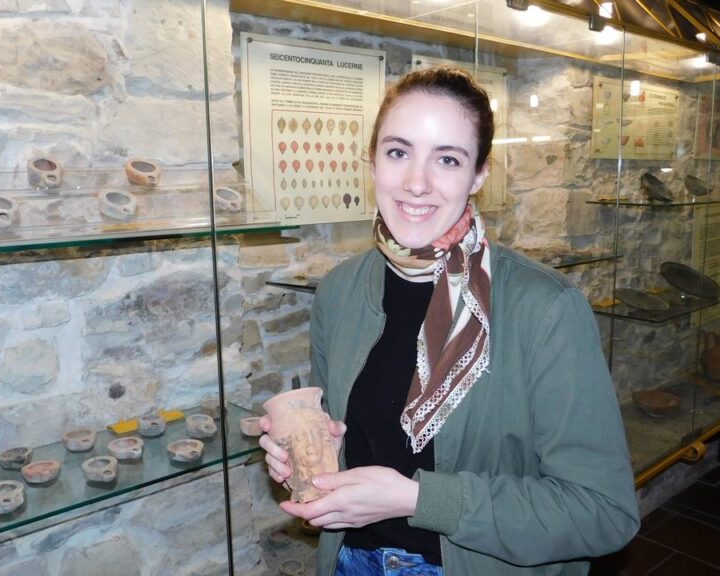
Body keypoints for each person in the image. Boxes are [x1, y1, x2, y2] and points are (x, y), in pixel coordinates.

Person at [260, 65, 639, 575]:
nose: (417, 183)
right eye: (399, 152)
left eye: (447, 159)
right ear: (371, 161)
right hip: (352, 561)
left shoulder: (545, 308)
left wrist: (419, 499)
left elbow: (603, 513)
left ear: (479, 174)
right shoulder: (340, 292)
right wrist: (309, 461)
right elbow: (352, 448)